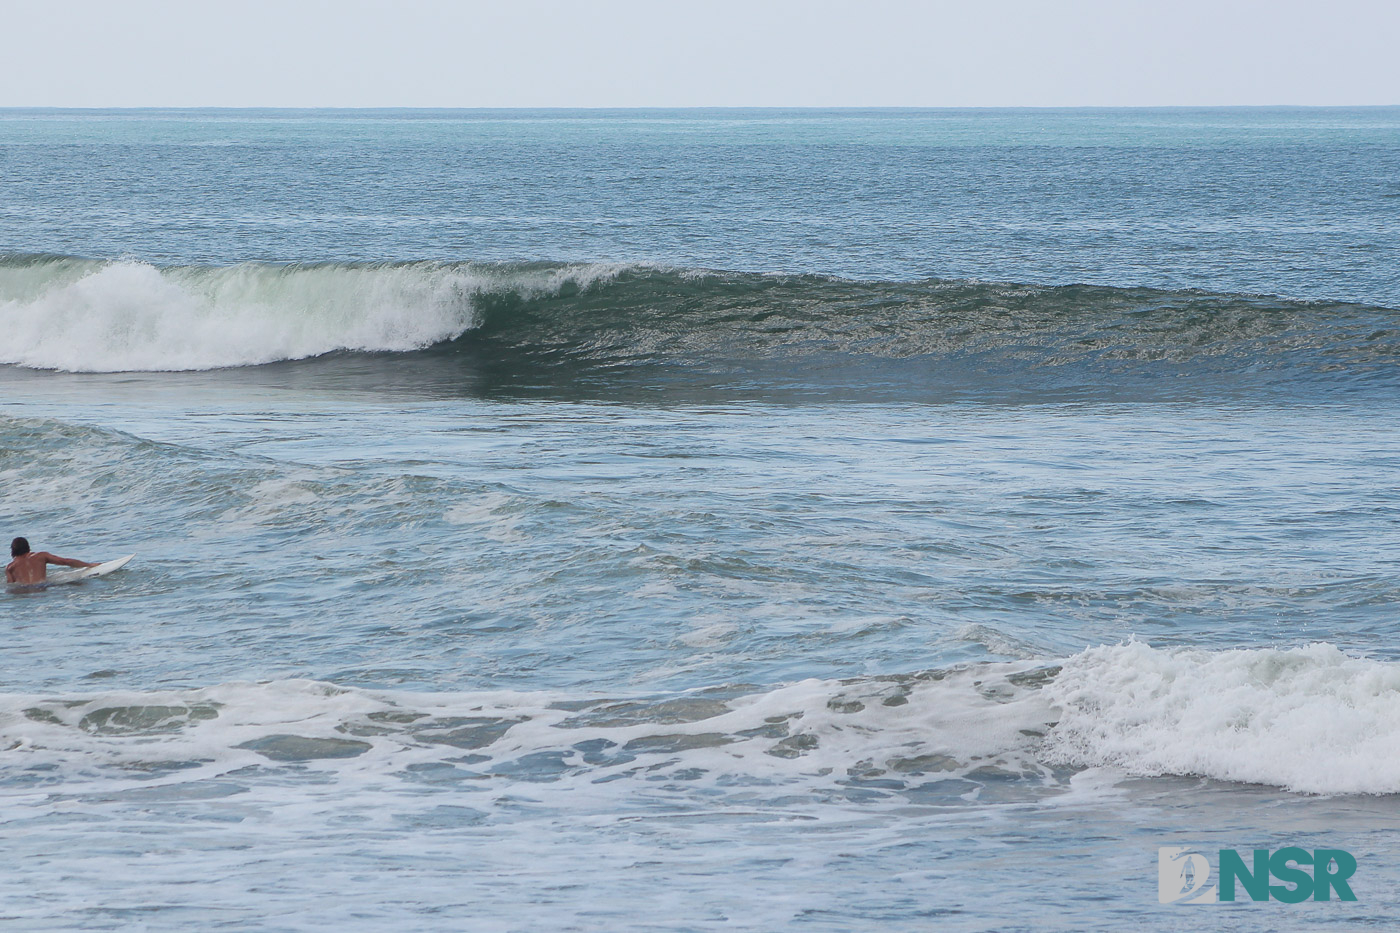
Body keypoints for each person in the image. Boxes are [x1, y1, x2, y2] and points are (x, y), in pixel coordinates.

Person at [6, 537, 98, 585]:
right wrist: (89, 565)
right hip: (43, 586)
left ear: (13, 550)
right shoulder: (41, 556)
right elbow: (66, 561)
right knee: (78, 584)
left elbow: (11, 585)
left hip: (24, 590)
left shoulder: (10, 567)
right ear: (28, 547)